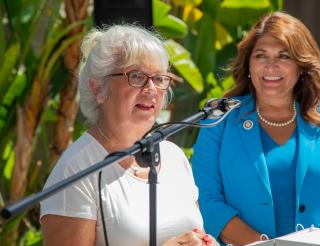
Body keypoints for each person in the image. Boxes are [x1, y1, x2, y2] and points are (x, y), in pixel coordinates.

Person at [191, 12, 320, 245]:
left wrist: (312, 242)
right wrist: (265, 244)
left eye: (284, 56)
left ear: (301, 66)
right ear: (248, 65)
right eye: (261, 56)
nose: (271, 65)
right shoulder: (219, 119)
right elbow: (206, 199)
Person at [40, 25, 217, 246]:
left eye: (159, 78)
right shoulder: (75, 171)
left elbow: (195, 233)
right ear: (98, 89)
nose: (151, 89)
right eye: (137, 76)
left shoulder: (173, 156)